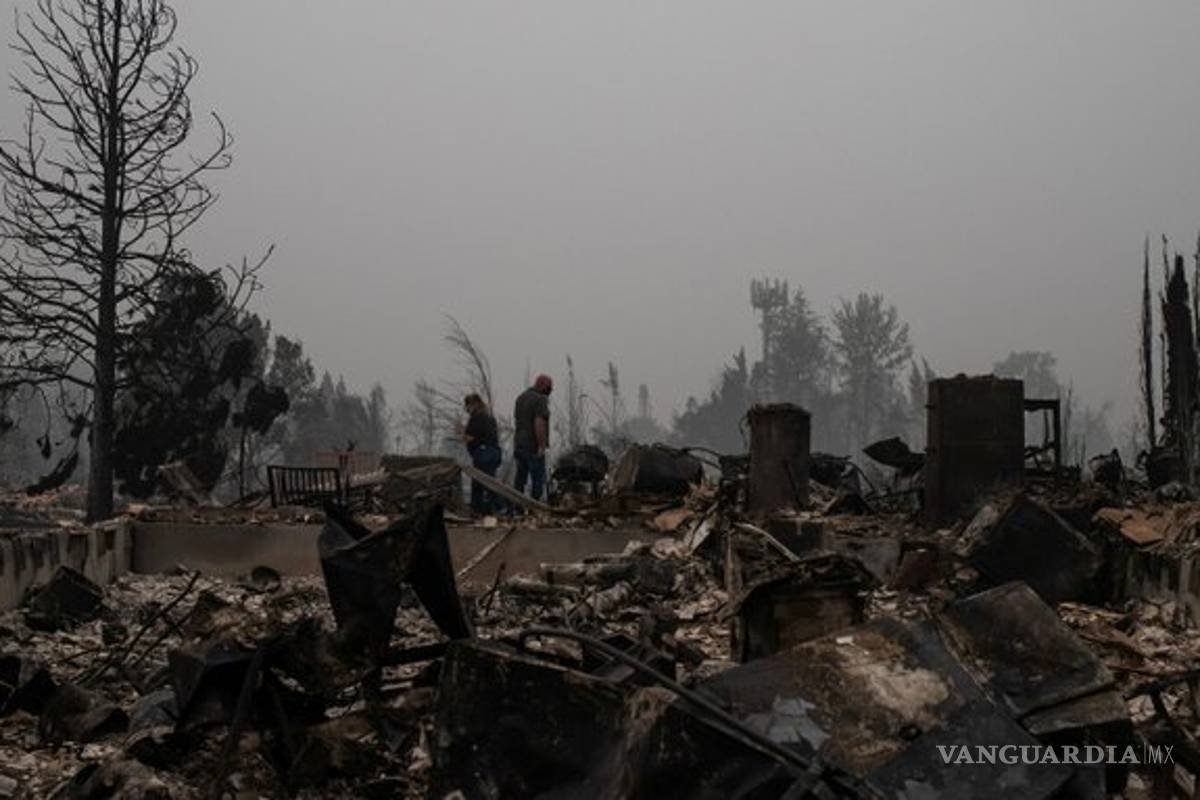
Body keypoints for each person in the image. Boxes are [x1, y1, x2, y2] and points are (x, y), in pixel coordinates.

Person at [512, 374, 552, 501]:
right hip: (532, 444)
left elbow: (517, 422)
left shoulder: (520, 398)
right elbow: (539, 423)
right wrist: (541, 446)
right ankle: (535, 507)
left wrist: (516, 444)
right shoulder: (540, 399)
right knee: (537, 477)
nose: (550, 391)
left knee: (520, 477)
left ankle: (516, 506)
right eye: (549, 387)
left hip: (519, 443)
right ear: (541, 385)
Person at [462, 393, 502, 514]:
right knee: (482, 482)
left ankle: (497, 507)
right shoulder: (488, 416)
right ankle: (480, 508)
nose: (466, 409)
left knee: (486, 483)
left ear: (473, 404)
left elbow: (471, 436)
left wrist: (462, 435)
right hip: (492, 453)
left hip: (484, 453)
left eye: (467, 406)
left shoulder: (478, 417)